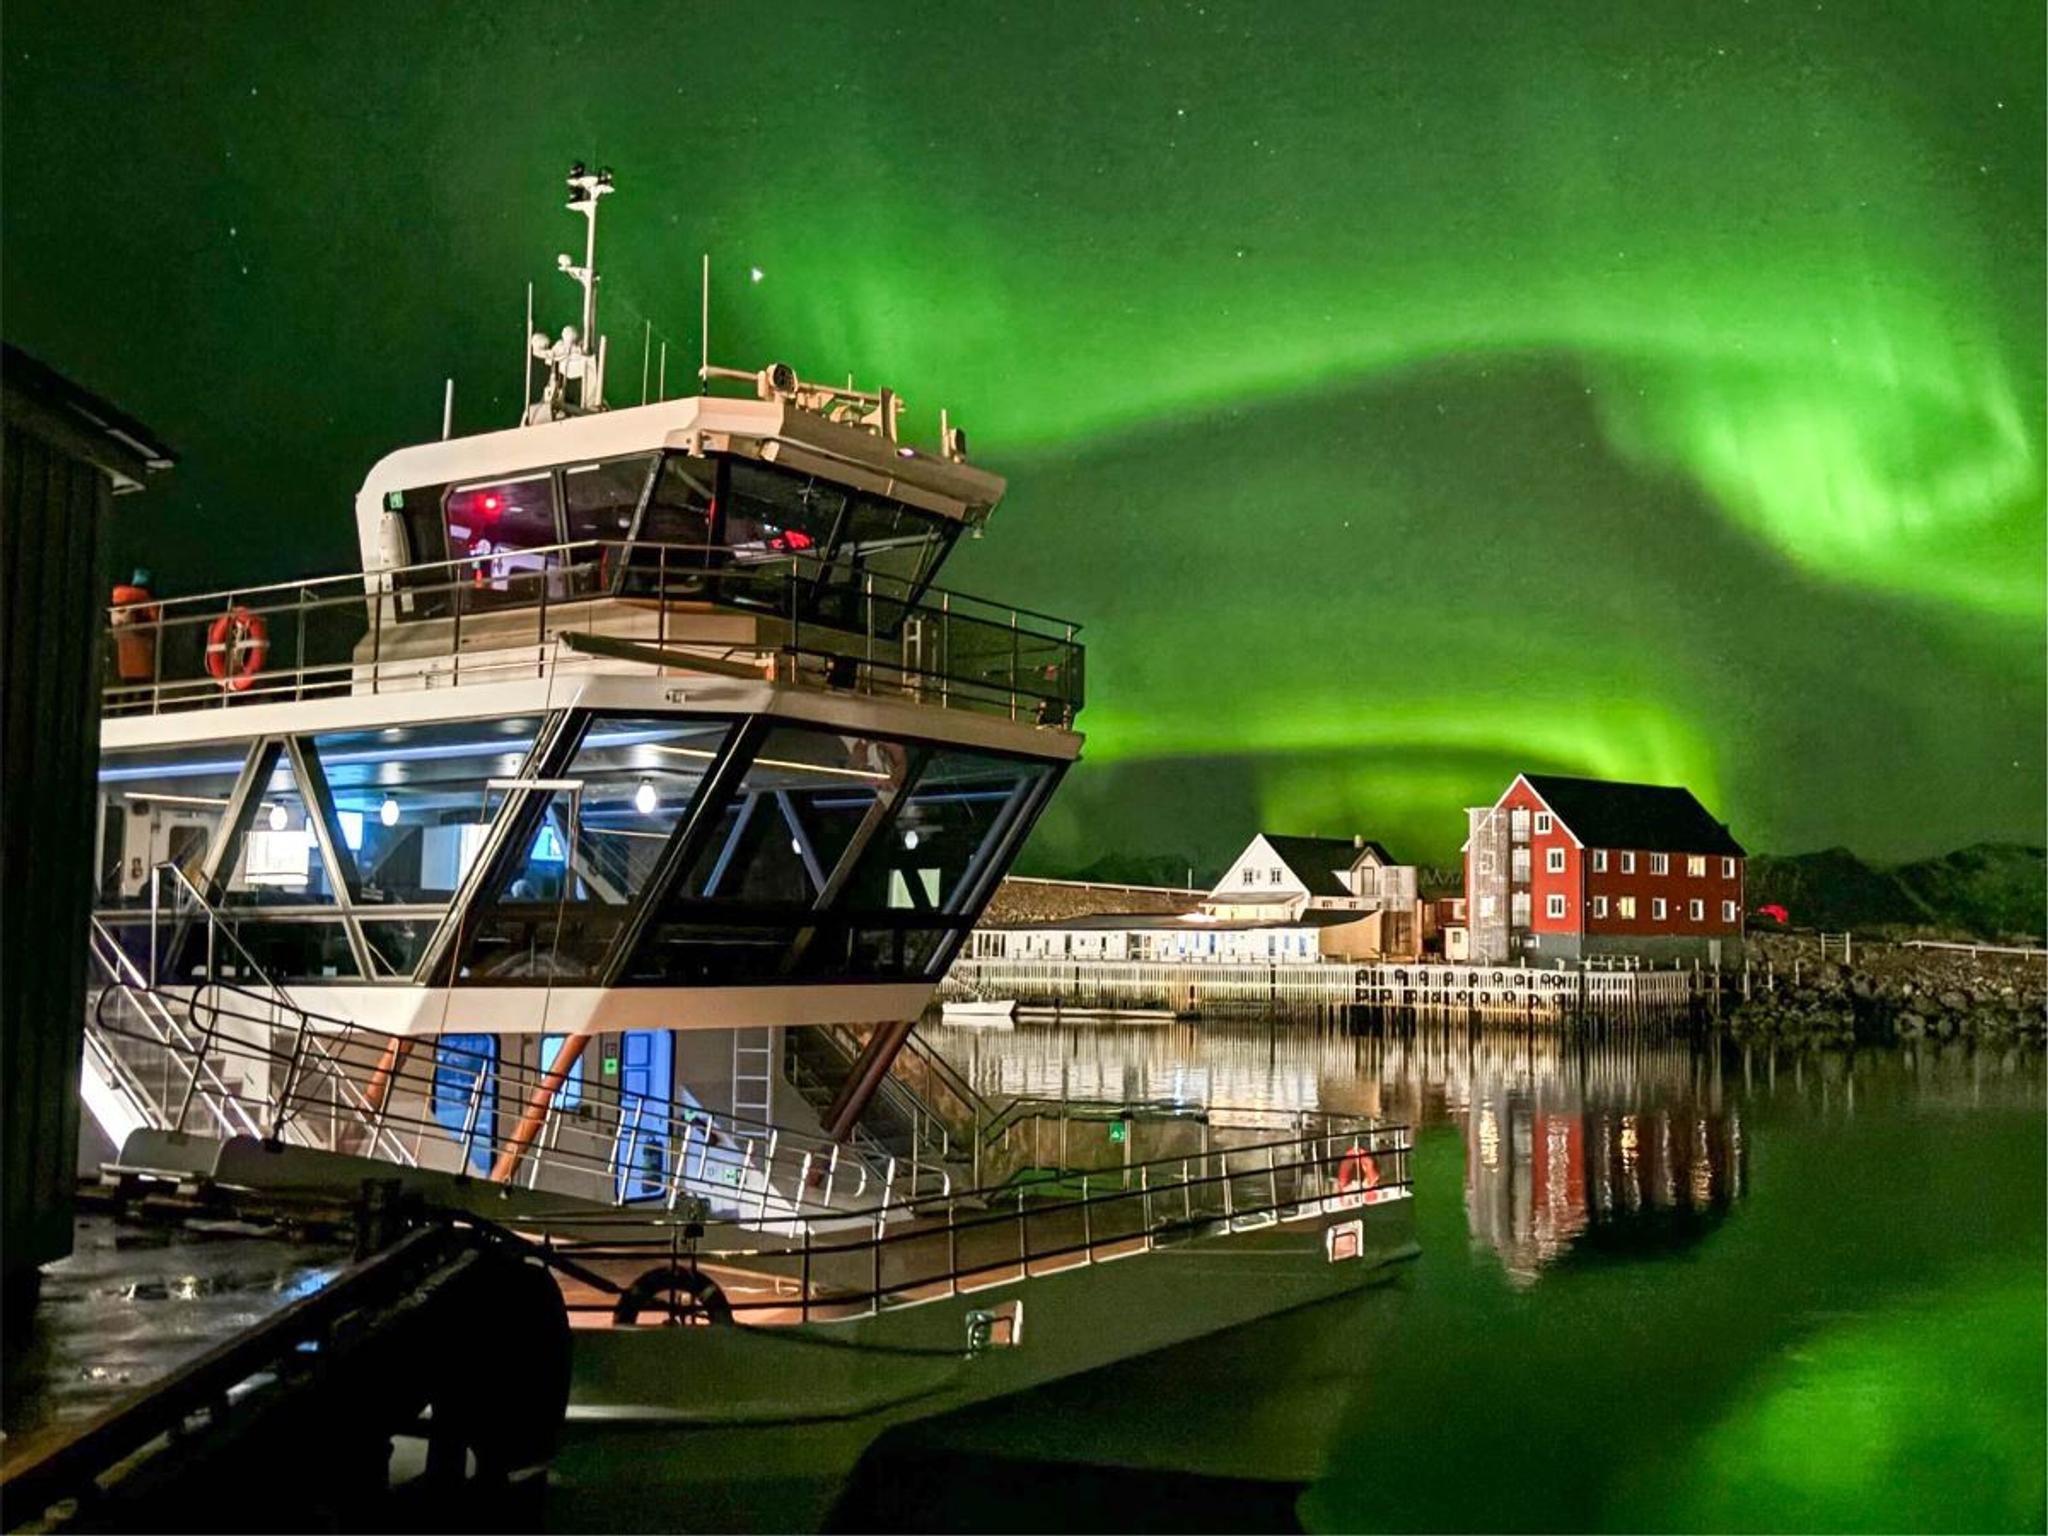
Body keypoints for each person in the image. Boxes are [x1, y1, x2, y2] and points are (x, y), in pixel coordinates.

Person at [110, 566, 160, 683]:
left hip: (122, 658)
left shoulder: (116, 602)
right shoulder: (145, 601)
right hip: (143, 656)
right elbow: (155, 623)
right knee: (143, 692)